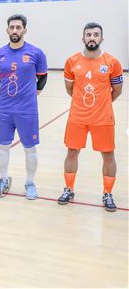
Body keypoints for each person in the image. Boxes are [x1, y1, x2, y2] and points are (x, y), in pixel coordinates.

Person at [58, 22, 123, 212]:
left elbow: (117, 90)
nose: (92, 38)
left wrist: (101, 104)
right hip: (77, 117)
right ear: (83, 38)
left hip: (103, 118)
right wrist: (84, 103)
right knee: (72, 152)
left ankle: (107, 193)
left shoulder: (112, 62)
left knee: (108, 154)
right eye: (88, 35)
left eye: (95, 35)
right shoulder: (72, 61)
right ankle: (69, 189)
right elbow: (70, 89)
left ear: (102, 38)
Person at [0, 14, 48, 199]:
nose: (15, 30)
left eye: (18, 27)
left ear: (25, 30)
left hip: (27, 110)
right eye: (12, 27)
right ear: (7, 30)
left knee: (30, 148)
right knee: (3, 145)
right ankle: (3, 179)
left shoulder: (36, 53)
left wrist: (30, 95)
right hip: (5, 109)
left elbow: (42, 78)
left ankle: (30, 182)